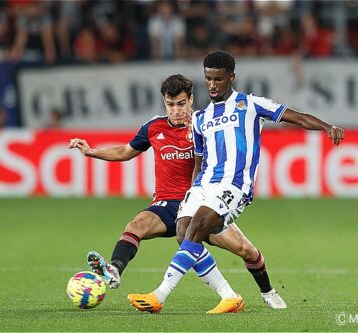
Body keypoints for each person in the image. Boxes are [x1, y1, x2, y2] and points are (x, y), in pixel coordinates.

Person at [128, 50, 345, 314]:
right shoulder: (200, 118)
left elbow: (296, 117)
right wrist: (193, 191)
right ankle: (236, 296)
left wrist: (326, 126)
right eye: (208, 79)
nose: (212, 85)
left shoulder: (250, 104)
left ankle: (159, 296)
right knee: (184, 233)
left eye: (218, 79)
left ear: (231, 77)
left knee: (195, 230)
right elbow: (198, 161)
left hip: (234, 185)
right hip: (204, 183)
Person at [69, 74, 286, 314]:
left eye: (181, 104)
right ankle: (115, 270)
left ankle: (268, 292)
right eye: (170, 104)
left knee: (247, 251)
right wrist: (90, 152)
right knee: (136, 226)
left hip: (203, 205)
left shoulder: (207, 124)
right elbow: (126, 151)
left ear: (191, 100)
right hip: (166, 204)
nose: (176, 110)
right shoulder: (154, 127)